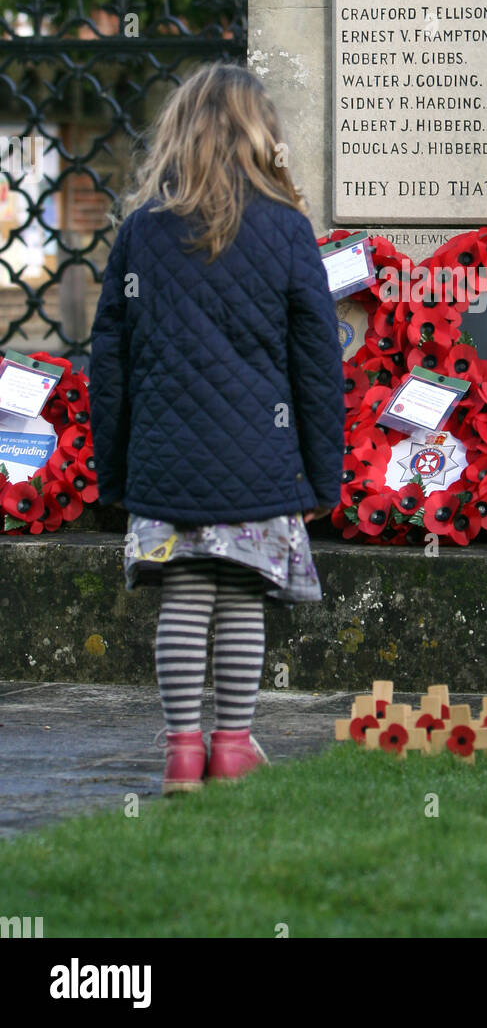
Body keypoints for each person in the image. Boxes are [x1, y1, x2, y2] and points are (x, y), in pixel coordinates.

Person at [89, 62, 344, 794]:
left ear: (178, 134)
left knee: (184, 599)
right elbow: (317, 365)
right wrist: (321, 475)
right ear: (262, 135)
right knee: (239, 600)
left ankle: (179, 754)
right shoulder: (288, 231)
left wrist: (117, 472)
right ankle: (232, 746)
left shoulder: (141, 236)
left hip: (165, 464)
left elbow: (111, 365)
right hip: (259, 464)